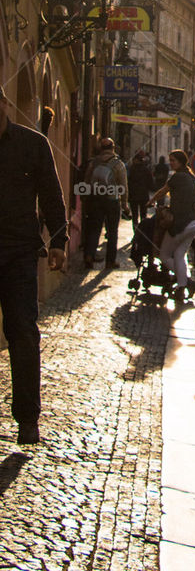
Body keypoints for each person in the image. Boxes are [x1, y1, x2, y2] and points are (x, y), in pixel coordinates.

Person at [0, 87, 67, 444]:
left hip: (19, 253)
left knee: (23, 333)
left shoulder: (32, 143)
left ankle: (27, 419)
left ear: (5, 104)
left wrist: (59, 241)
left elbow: (51, 194)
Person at [151, 149, 195, 306]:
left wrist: (150, 201)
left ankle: (186, 282)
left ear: (180, 162)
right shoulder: (193, 178)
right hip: (193, 223)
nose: (171, 163)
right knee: (179, 254)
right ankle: (181, 287)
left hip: (180, 224)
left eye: (173, 161)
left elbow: (162, 192)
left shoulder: (177, 177)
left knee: (164, 255)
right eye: (170, 160)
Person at [82, 137, 130, 270]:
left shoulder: (94, 162)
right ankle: (110, 262)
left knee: (94, 229)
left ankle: (89, 256)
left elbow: (87, 180)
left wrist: (85, 196)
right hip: (112, 200)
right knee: (112, 231)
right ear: (113, 148)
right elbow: (123, 185)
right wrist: (125, 204)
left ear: (101, 149)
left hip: (95, 199)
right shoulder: (118, 164)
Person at [127, 151, 154, 229]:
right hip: (143, 196)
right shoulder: (146, 169)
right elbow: (150, 183)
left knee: (135, 216)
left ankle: (136, 233)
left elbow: (127, 182)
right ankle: (142, 233)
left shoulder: (131, 169)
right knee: (143, 215)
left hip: (133, 196)